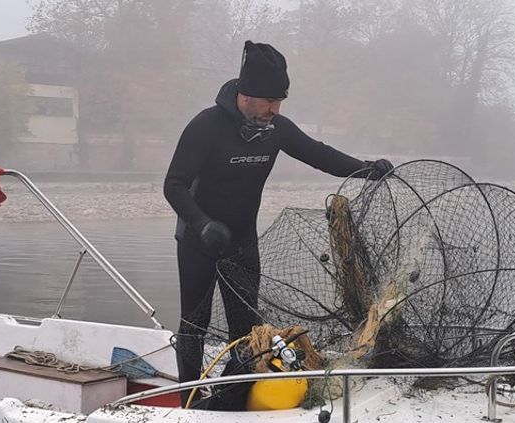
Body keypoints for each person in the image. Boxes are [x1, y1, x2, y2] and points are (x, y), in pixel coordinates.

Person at [163, 40, 393, 401]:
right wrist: (203, 224)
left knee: (246, 328)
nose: (275, 108)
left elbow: (319, 155)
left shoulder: (275, 130)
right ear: (245, 94)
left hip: (242, 240)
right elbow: (173, 185)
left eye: (280, 101)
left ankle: (233, 395)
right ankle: (188, 399)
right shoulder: (205, 127)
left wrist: (367, 169)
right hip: (199, 240)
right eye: (269, 101)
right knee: (196, 324)